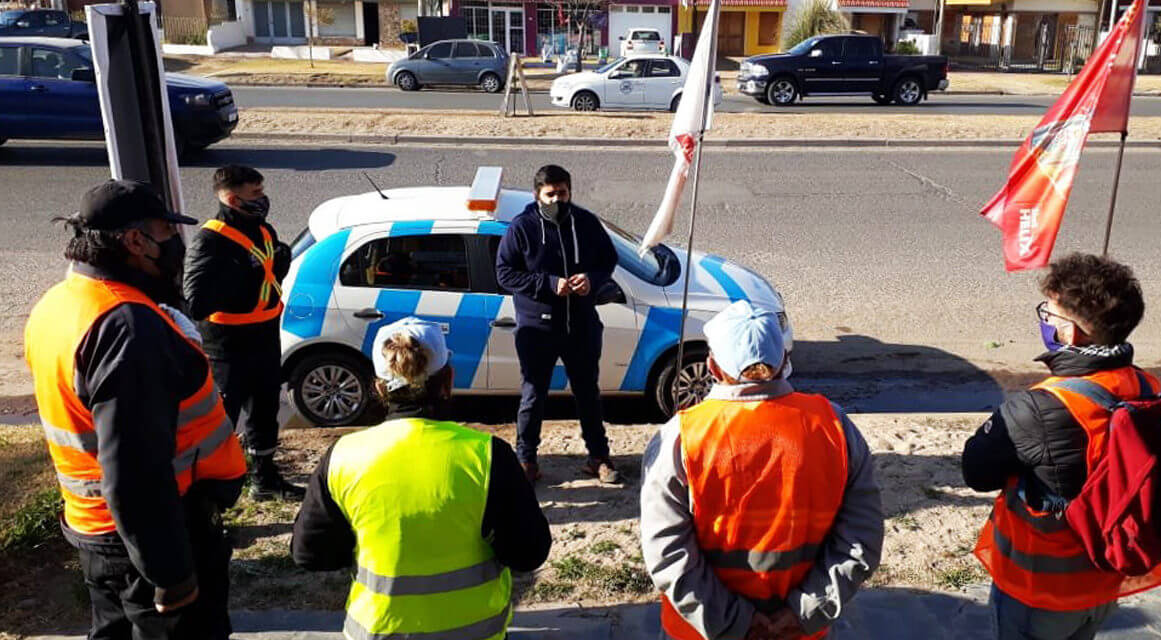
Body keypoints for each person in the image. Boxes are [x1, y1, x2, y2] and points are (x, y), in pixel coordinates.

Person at [25, 180, 247, 640]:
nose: (175, 246)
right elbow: (136, 470)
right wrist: (170, 573)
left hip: (100, 531)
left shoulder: (59, 303)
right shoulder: (126, 326)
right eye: (167, 233)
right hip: (149, 540)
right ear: (134, 241)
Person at [291, 317, 552, 640]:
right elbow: (529, 553)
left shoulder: (343, 456)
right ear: (448, 380)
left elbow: (310, 554)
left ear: (379, 387)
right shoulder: (487, 455)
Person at [641, 300, 884, 640]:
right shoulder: (834, 426)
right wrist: (806, 611)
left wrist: (737, 622)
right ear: (784, 360)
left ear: (712, 366)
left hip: (702, 631)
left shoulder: (680, 437)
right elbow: (862, 536)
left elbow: (666, 551)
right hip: (798, 631)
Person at [963, 253, 1161, 640]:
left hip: (1041, 592)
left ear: (1071, 334)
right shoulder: (1145, 387)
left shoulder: (1042, 406)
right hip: (1106, 579)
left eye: (1050, 313)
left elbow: (975, 471)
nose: (1045, 319)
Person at [495, 164, 621, 485]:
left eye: (562, 193)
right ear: (537, 195)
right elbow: (505, 273)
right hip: (538, 330)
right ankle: (526, 458)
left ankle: (598, 457)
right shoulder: (521, 228)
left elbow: (608, 259)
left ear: (570, 192)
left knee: (587, 393)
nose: (557, 200)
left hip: (580, 325)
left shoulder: (585, 222)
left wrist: (591, 279)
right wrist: (550, 284)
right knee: (534, 395)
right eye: (550, 194)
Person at [183, 165, 303, 501]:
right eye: (255, 194)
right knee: (221, 421)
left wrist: (281, 262)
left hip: (265, 338)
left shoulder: (263, 230)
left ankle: (264, 479)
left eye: (262, 191)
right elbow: (195, 301)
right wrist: (242, 278)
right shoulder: (209, 240)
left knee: (265, 412)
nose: (263, 199)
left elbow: (269, 277)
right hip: (227, 349)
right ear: (233, 199)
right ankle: (209, 493)